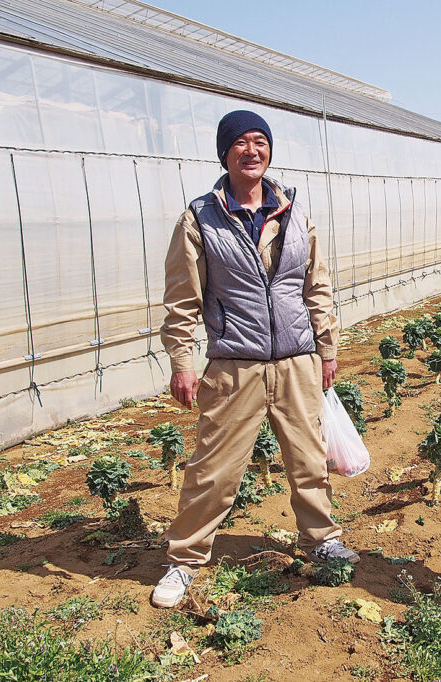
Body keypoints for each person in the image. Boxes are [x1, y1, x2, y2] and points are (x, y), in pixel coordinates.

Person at [152, 110, 358, 609]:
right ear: (224, 153)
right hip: (234, 364)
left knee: (309, 461)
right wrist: (182, 361)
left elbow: (317, 287)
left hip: (297, 360)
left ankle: (321, 539)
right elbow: (183, 299)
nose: (252, 151)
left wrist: (326, 350)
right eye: (241, 143)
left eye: (260, 141)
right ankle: (185, 560)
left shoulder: (295, 214)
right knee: (213, 470)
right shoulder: (199, 217)